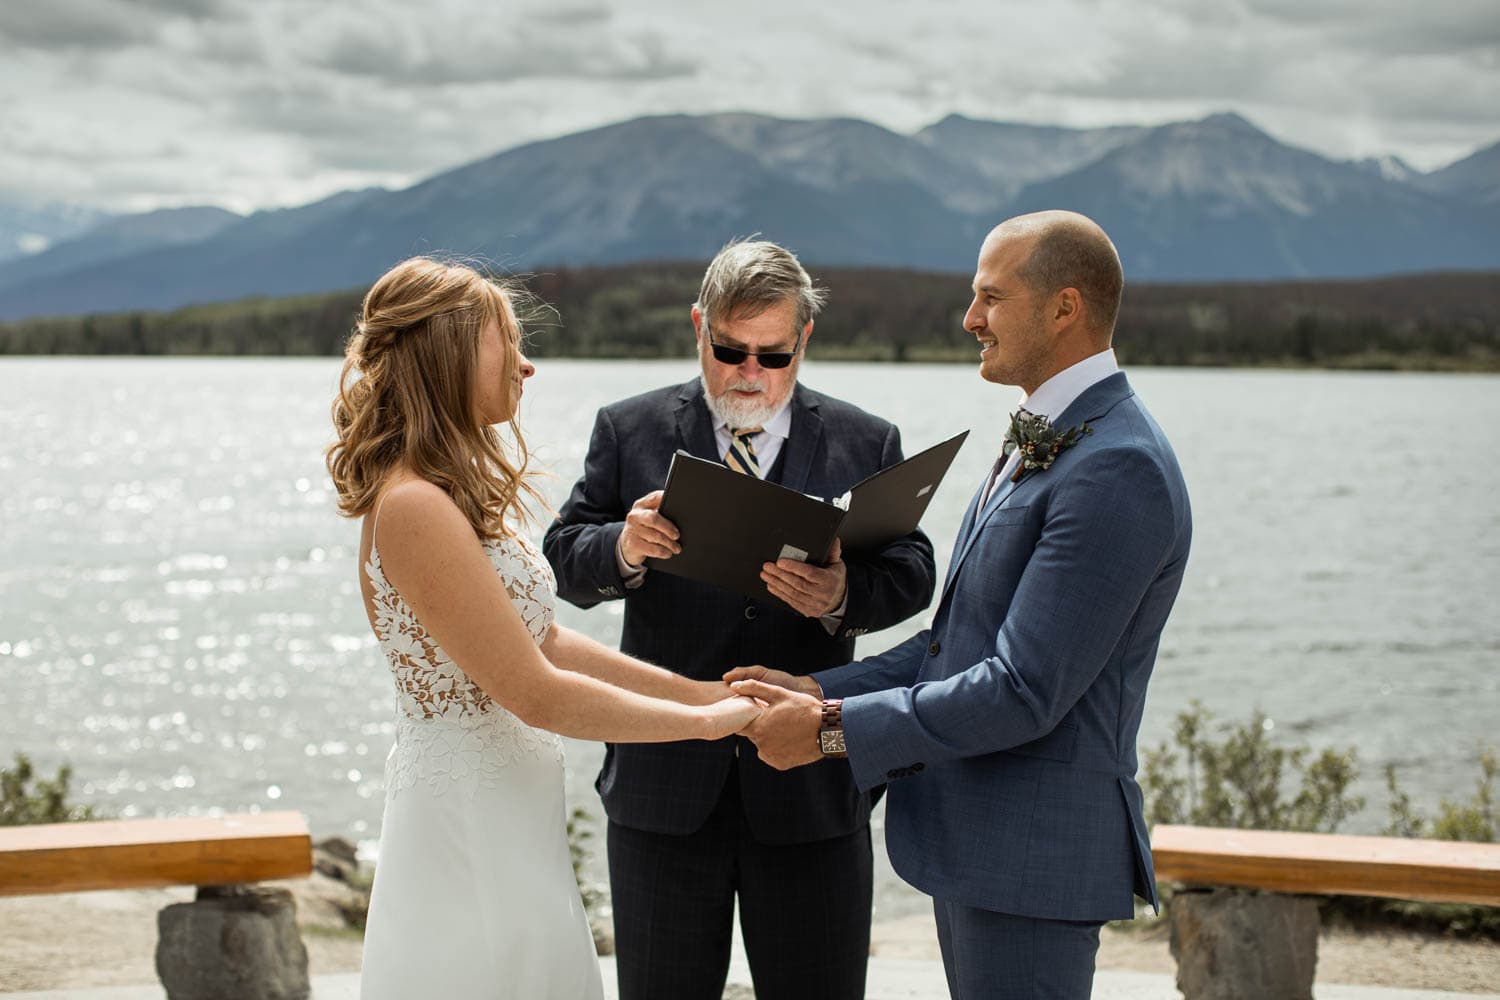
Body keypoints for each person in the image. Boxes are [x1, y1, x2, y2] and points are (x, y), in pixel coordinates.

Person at [730, 211, 1193, 1000]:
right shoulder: (1046, 437)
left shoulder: (1119, 467)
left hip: (1032, 856)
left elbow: (1023, 690)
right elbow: (957, 643)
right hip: (981, 844)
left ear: (1064, 307)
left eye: (990, 297)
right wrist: (818, 689)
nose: (970, 318)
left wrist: (829, 734)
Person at [325, 257, 760, 1000]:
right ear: (450, 351)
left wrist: (698, 693)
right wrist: (713, 725)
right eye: (509, 341)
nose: (527, 365)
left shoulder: (445, 494)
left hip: (511, 816)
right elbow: (535, 691)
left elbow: (545, 641)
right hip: (469, 826)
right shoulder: (415, 507)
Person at [542, 239, 937, 1000]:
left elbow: (913, 573)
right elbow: (562, 558)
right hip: (664, 793)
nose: (750, 374)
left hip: (813, 794)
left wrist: (841, 596)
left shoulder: (867, 439)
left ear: (805, 340)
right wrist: (624, 548)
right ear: (698, 325)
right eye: (730, 351)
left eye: (773, 355)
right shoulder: (629, 429)